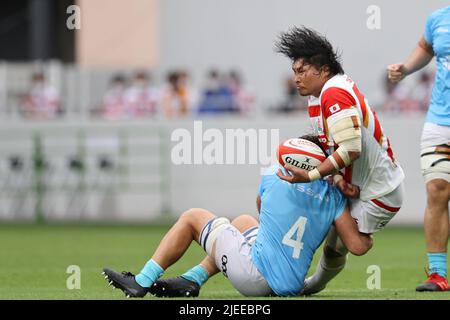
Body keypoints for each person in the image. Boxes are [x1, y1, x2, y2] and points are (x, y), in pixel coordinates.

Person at [102, 136, 372, 298]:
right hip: (290, 286)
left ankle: (141, 282)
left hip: (254, 278)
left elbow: (261, 204)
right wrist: (373, 219)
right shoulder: (336, 198)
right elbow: (358, 246)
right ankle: (192, 280)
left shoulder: (273, 175)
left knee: (193, 217)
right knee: (242, 222)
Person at [271, 26, 405, 295]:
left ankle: (282, 270)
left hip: (380, 192)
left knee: (355, 245)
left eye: (301, 71)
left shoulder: (334, 92)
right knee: (332, 241)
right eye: (294, 71)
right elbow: (330, 144)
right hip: (357, 185)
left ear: (322, 70)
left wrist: (311, 175)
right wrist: (336, 176)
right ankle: (308, 285)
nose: (296, 78)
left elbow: (351, 150)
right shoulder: (317, 96)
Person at [387, 6, 450, 292]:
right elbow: (425, 48)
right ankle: (438, 274)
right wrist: (406, 67)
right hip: (440, 121)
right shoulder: (438, 18)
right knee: (437, 190)